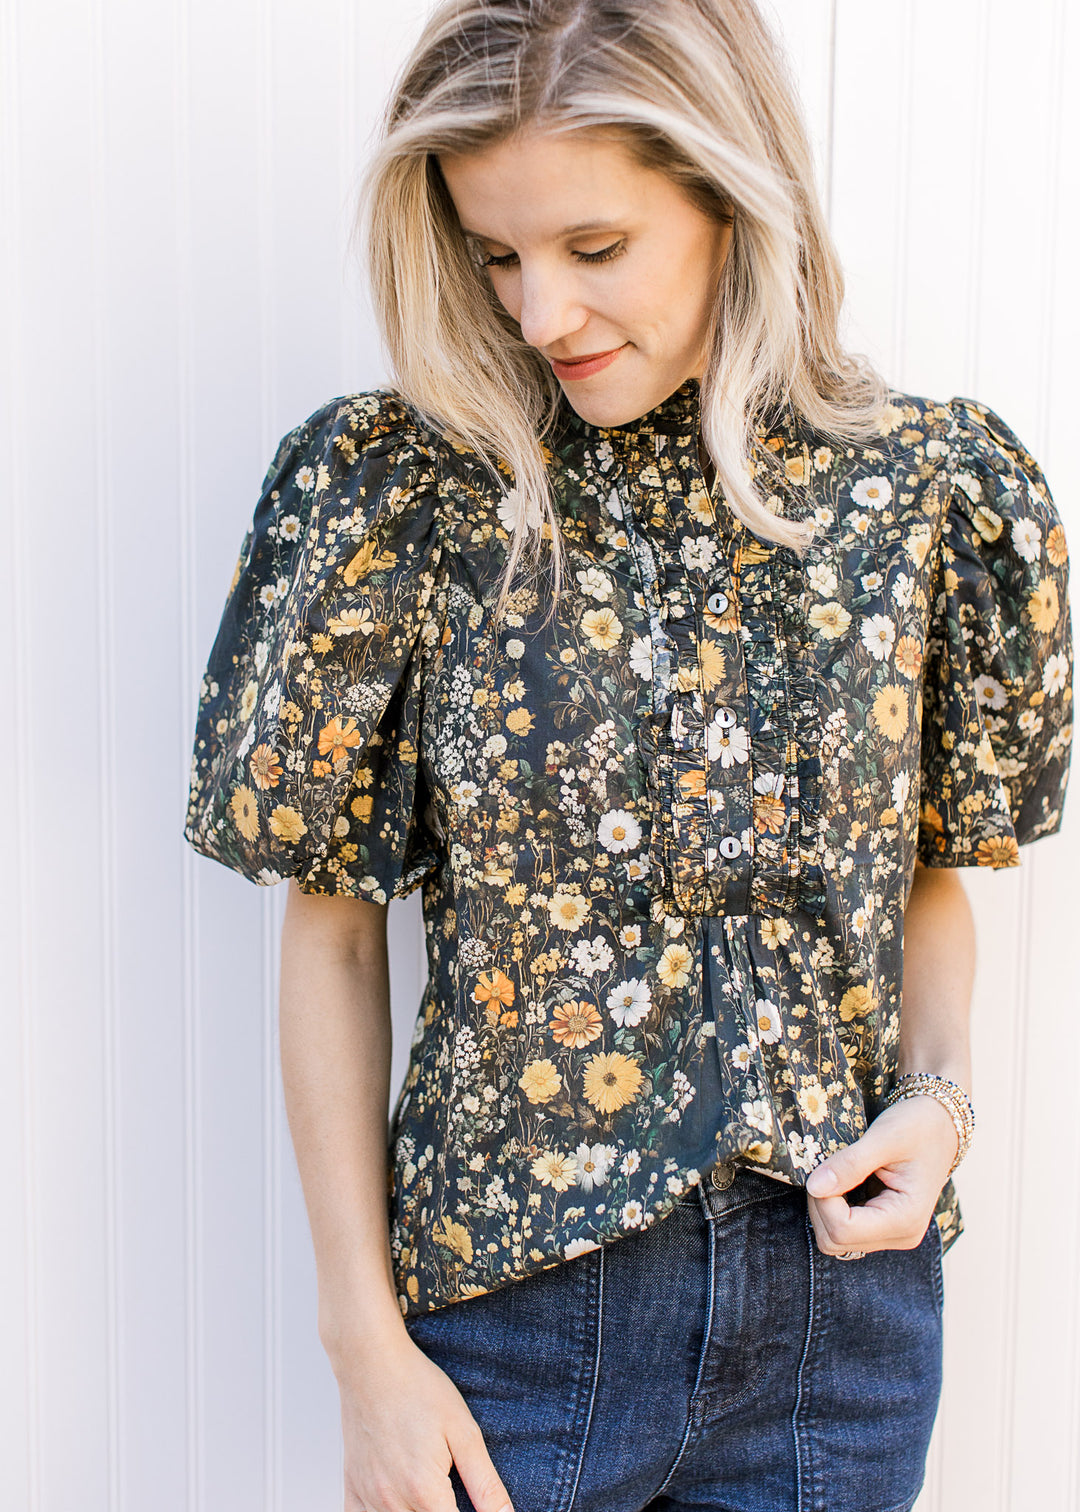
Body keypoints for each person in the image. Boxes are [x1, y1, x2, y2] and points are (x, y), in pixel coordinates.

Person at [183, 2, 1073, 1509]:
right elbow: (330, 932)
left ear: (735, 201)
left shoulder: (924, 493)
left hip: (841, 1329)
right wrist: (364, 1352)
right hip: (517, 1332)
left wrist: (942, 1106)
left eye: (594, 248)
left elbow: (926, 877)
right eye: (497, 256)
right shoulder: (406, 490)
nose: (540, 314)